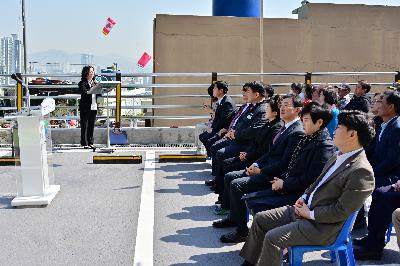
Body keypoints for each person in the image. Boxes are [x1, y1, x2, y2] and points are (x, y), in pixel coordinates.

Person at [239, 110, 375, 266]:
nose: (334, 130)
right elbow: (315, 184)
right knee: (261, 219)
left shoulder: (361, 171)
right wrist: (304, 197)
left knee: (273, 238)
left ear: (352, 134)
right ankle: (250, 263)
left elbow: (340, 211)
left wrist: (310, 213)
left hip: (322, 227)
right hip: (305, 211)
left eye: (339, 127)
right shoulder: (338, 156)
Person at [213, 95, 305, 243]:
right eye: (281, 104)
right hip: (264, 168)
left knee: (237, 184)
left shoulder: (297, 132)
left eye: (287, 105)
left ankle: (242, 231)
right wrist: (256, 165)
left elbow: (284, 163)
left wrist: (261, 171)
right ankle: (234, 218)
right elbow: (269, 152)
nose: (282, 107)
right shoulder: (285, 126)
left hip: (274, 176)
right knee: (230, 176)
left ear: (297, 110)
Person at [243, 102, 336, 216]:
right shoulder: (309, 137)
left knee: (256, 203)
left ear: (319, 122)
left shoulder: (324, 146)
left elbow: (311, 180)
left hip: (300, 196)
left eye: (306, 120)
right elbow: (292, 164)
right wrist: (280, 180)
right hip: (288, 184)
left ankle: (261, 232)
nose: (302, 123)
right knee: (249, 198)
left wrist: (284, 184)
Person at [199, 81, 236, 156]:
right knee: (202, 136)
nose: (213, 90)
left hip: (225, 129)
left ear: (221, 91)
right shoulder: (221, 100)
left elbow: (223, 120)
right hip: (218, 127)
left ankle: (213, 157)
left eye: (215, 88)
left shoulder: (227, 102)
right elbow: (217, 117)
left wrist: (213, 129)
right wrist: (212, 128)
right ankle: (212, 156)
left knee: (208, 139)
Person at [78, 65, 98, 149]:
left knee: (91, 125)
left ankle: (90, 142)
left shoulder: (96, 83)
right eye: (90, 72)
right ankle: (84, 143)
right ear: (86, 73)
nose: (92, 73)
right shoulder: (82, 83)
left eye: (93, 72)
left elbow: (99, 93)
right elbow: (85, 92)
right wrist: (94, 87)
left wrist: (102, 88)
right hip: (85, 107)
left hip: (94, 106)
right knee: (84, 125)